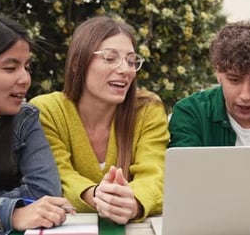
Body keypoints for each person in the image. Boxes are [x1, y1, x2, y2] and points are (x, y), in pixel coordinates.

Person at [30, 16, 169, 224]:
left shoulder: (148, 108)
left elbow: (155, 174)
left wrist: (134, 202)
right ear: (78, 63)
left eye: (131, 61)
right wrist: (95, 195)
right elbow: (58, 176)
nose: (125, 70)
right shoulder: (47, 110)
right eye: (110, 58)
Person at [0, 15, 73, 234]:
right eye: (10, 68)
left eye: (26, 67)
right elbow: (30, 202)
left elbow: (45, 193)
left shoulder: (25, 119)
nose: (25, 79)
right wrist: (9, 212)